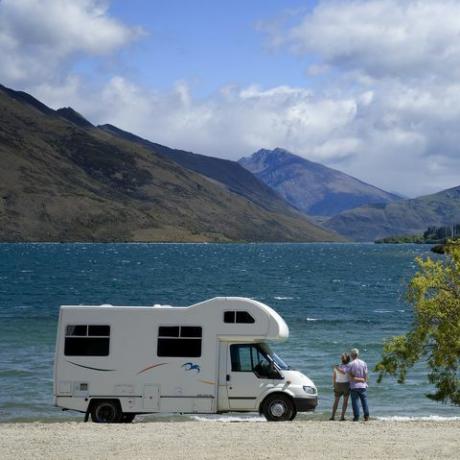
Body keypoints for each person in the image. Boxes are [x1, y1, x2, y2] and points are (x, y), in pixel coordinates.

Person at [348, 348, 369, 421]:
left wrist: (356, 378)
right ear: (358, 354)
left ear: (352, 355)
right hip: (363, 385)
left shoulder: (350, 364)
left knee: (355, 402)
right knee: (364, 401)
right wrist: (362, 380)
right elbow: (366, 377)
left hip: (354, 386)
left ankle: (356, 417)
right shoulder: (364, 363)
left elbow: (350, 377)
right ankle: (366, 416)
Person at [330, 353, 351, 421]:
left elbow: (334, 377)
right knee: (345, 401)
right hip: (345, 384)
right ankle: (342, 417)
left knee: (336, 401)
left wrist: (334, 385)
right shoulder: (348, 366)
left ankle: (333, 416)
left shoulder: (337, 366)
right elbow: (344, 372)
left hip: (338, 384)